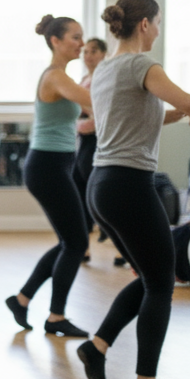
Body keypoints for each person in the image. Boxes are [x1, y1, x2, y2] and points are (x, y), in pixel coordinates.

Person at [77, 0, 190, 379]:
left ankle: (97, 346)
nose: (158, 31)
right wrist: (187, 108)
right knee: (162, 281)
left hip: (102, 185)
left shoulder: (106, 69)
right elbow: (187, 100)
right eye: (157, 23)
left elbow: (137, 116)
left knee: (149, 276)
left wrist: (178, 115)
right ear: (144, 24)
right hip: (129, 185)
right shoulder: (143, 65)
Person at [3, 16, 91, 337]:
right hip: (47, 166)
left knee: (69, 241)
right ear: (56, 41)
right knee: (76, 242)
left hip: (58, 164)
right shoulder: (55, 77)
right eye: (75, 37)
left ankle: (22, 300)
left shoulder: (63, 77)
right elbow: (94, 103)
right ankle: (55, 317)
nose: (81, 43)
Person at [74, 37, 107, 240]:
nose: (88, 56)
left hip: (97, 137)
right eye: (85, 52)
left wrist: (83, 108)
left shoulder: (104, 78)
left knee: (93, 187)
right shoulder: (85, 78)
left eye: (93, 51)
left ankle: (108, 230)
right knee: (79, 182)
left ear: (103, 54)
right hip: (84, 136)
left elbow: (101, 109)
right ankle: (85, 233)